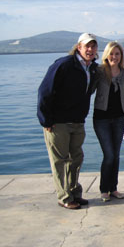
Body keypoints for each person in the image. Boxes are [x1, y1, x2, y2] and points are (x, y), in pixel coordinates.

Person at [37, 33, 98, 209]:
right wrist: (46, 120)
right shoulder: (64, 64)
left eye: (93, 46)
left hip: (78, 122)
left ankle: (74, 192)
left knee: (76, 159)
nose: (90, 49)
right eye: (87, 46)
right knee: (59, 161)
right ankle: (64, 197)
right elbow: (44, 92)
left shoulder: (92, 68)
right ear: (78, 47)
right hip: (58, 123)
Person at [93, 41, 124, 202]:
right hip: (102, 119)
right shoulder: (100, 71)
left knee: (116, 155)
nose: (114, 56)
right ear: (106, 55)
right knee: (109, 155)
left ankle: (113, 188)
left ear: (121, 56)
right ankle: (103, 189)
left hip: (120, 118)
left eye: (117, 54)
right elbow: (88, 88)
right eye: (111, 53)